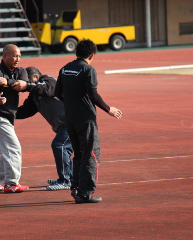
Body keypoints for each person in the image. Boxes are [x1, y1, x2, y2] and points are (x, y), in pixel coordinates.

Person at [55, 39, 122, 204]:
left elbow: (57, 93)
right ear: (92, 55)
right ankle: (84, 193)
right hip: (85, 120)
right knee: (91, 155)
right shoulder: (88, 69)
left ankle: (76, 188)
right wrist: (109, 109)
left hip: (70, 119)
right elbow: (93, 93)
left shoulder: (64, 69)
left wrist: (72, 102)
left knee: (78, 154)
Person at [12, 66, 73, 191]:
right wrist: (7, 113)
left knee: (59, 145)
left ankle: (66, 181)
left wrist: (27, 86)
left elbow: (48, 90)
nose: (24, 86)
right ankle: (69, 178)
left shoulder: (50, 81)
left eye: (26, 81)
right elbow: (27, 110)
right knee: (62, 148)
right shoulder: (34, 94)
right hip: (63, 125)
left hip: (72, 121)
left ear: (35, 77)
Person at [0, 44, 29, 193]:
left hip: (7, 117)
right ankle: (11, 183)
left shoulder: (21, 71)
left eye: (19, 56)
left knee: (7, 151)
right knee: (14, 149)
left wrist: (7, 82)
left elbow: (22, 85)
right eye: (15, 56)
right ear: (5, 56)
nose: (18, 59)